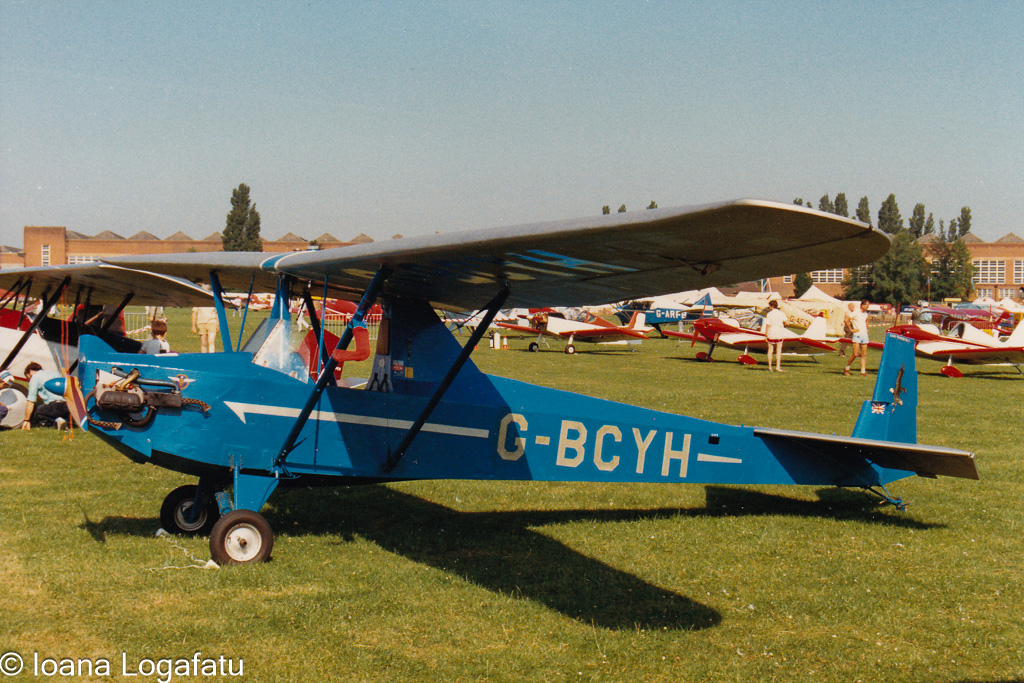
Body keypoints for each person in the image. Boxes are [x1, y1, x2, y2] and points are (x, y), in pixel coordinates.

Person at [22, 362, 70, 430]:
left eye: (28, 378)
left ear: (29, 373)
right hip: (68, 407)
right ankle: (64, 420)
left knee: (38, 411)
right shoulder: (56, 373)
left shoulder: (35, 377)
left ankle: (56, 420)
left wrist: (26, 420)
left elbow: (31, 401)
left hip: (55, 406)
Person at [844, 300, 871, 376]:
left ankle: (863, 371)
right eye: (866, 305)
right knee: (855, 354)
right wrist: (851, 329)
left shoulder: (865, 314)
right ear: (862, 305)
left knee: (863, 354)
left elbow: (867, 320)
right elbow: (846, 320)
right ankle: (847, 368)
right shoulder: (856, 312)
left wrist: (867, 328)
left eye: (868, 306)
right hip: (857, 335)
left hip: (864, 335)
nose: (867, 307)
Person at [763, 299, 787, 372]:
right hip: (779, 333)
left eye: (769, 306)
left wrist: (766, 335)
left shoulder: (769, 314)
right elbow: (787, 322)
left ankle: (770, 367)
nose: (769, 307)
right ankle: (778, 367)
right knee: (779, 350)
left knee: (770, 350)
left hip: (771, 333)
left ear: (772, 306)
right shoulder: (781, 313)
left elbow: (768, 325)